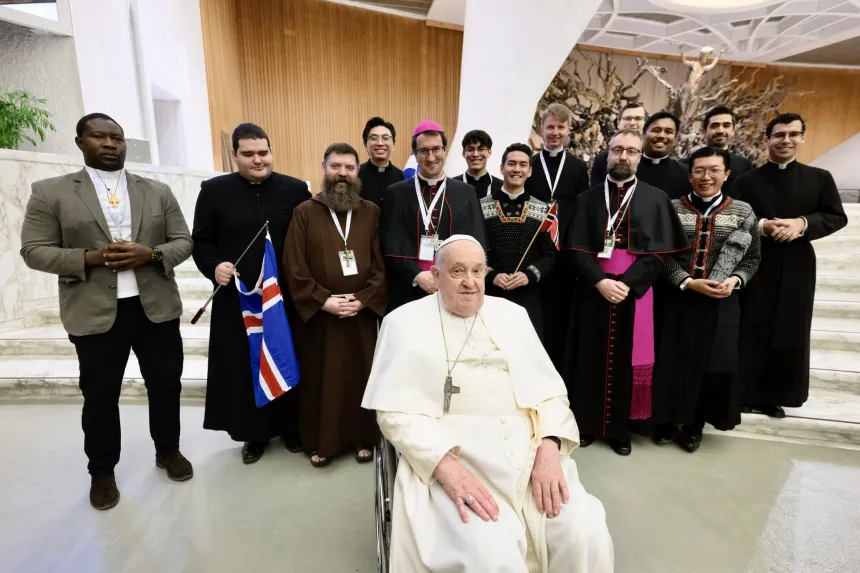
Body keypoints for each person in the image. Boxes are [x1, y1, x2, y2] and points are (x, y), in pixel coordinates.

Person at [362, 235, 614, 573]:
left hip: (529, 455)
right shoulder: (402, 323)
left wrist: (551, 447)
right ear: (435, 278)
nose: (470, 282)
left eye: (478, 271)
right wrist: (445, 468)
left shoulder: (513, 315)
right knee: (491, 556)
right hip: (453, 459)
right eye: (457, 271)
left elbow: (551, 393)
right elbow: (393, 413)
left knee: (583, 531)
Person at [20, 113, 194, 510]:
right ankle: (101, 471)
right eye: (99, 136)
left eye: (117, 137)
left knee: (166, 386)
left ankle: (168, 451)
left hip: (155, 309)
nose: (111, 143)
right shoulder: (51, 192)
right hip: (95, 312)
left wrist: (149, 254)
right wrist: (92, 258)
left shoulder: (156, 191)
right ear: (81, 141)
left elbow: (182, 241)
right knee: (100, 396)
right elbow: (33, 250)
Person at [564, 130, 689, 456]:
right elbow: (576, 250)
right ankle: (587, 425)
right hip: (595, 290)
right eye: (617, 149)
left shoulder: (655, 198)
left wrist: (628, 283)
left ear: (639, 156)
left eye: (631, 151)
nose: (623, 156)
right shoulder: (587, 199)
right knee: (589, 359)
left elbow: (658, 253)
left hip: (635, 293)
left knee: (627, 363)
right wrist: (600, 281)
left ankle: (620, 430)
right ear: (607, 153)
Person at [192, 123, 311, 464]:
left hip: (283, 297)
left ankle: (290, 427)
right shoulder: (214, 192)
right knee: (246, 364)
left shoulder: (294, 189)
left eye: (263, 152)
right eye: (248, 154)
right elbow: (200, 240)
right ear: (234, 155)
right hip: (238, 299)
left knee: (285, 356)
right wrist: (214, 265)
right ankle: (254, 434)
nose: (258, 160)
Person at [731, 113, 847, 418]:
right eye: (779, 135)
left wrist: (802, 222)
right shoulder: (746, 181)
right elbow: (733, 217)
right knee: (750, 326)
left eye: (793, 134)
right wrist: (764, 226)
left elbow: (836, 216)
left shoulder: (819, 178)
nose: (786, 140)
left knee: (789, 328)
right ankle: (744, 392)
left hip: (797, 264)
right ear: (767, 139)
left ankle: (775, 395)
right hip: (754, 262)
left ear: (802, 138)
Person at [652, 147, 761, 453]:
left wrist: (735, 280)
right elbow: (659, 254)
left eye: (714, 170)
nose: (706, 177)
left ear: (726, 174)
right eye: (699, 170)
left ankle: (693, 425)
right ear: (689, 175)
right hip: (676, 296)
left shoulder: (742, 212)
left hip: (719, 300)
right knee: (670, 359)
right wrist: (686, 281)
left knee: (710, 364)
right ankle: (663, 420)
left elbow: (752, 258)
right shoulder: (671, 208)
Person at [284, 143, 387, 467]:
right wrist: (323, 300)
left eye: (349, 167)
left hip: (359, 315)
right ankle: (323, 442)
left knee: (361, 376)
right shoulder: (305, 212)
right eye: (335, 166)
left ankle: (365, 438)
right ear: (324, 168)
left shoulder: (370, 211)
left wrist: (363, 299)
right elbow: (293, 265)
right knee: (322, 380)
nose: (342, 173)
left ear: (358, 172)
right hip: (321, 318)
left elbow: (381, 264)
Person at [380, 120, 486, 311]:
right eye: (423, 151)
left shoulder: (466, 192)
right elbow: (389, 245)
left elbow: (477, 244)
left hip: (455, 289)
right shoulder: (395, 193)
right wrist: (417, 276)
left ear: (445, 151)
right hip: (408, 290)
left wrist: (451, 278)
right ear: (415, 154)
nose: (431, 157)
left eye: (436, 149)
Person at [525, 103, 590, 372]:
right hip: (534, 248)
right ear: (541, 129)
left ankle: (558, 368)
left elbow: (582, 207)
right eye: (550, 126)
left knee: (560, 310)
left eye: (560, 127)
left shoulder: (576, 167)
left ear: (568, 129)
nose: (555, 132)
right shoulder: (528, 163)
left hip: (564, 252)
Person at [481, 143, 556, 336]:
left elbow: (550, 254)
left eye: (523, 165)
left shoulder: (543, 210)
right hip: (489, 295)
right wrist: (491, 275)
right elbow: (473, 251)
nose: (516, 169)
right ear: (501, 168)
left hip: (527, 297)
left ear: (530, 171)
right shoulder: (479, 207)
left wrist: (528, 276)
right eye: (511, 164)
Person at [681, 106, 754, 192]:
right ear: (703, 132)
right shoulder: (684, 165)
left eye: (726, 125)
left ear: (733, 130)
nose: (720, 131)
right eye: (714, 126)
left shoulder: (744, 166)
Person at [590, 103, 648, 187]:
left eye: (638, 118)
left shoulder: (651, 159)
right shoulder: (601, 159)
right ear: (618, 123)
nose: (632, 123)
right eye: (627, 118)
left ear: (645, 123)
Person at [637, 111, 691, 200]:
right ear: (643, 134)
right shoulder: (629, 168)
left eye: (668, 132)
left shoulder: (686, 175)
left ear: (675, 139)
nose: (661, 136)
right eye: (656, 130)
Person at [358, 116, 403, 210]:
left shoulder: (402, 177)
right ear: (365, 145)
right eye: (374, 138)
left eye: (386, 138)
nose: (380, 143)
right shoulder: (355, 175)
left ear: (393, 145)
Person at [454, 129, 504, 200]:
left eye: (481, 149)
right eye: (470, 149)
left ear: (489, 152)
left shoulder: (502, 187)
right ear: (463, 153)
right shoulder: (451, 186)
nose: (475, 154)